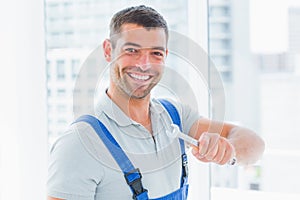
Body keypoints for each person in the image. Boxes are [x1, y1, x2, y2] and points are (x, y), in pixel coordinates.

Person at [47, 5, 265, 200]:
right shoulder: (80, 143)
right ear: (108, 50)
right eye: (131, 50)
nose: (144, 64)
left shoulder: (174, 116)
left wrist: (229, 149)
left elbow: (255, 145)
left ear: (165, 56)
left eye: (156, 53)